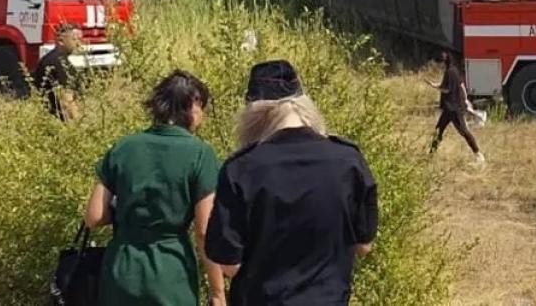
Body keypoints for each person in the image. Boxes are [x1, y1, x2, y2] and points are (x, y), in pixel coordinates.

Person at [206, 60, 379, 306]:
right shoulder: (349, 162)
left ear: (254, 111)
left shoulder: (241, 169)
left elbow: (229, 265)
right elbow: (364, 246)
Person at [83, 70, 225, 306]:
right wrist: (218, 291)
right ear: (193, 105)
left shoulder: (124, 147)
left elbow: (94, 216)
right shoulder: (200, 154)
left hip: (122, 269)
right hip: (171, 271)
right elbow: (203, 230)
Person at [430, 51, 484, 163]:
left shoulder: (448, 73)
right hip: (451, 108)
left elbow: (447, 89)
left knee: (463, 131)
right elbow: (462, 86)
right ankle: (431, 154)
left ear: (443, 62)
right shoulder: (455, 70)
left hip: (453, 109)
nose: (438, 66)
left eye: (438, 63)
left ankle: (479, 155)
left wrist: (434, 86)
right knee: (438, 130)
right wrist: (465, 99)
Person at [33, 23, 82, 121]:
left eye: (80, 39)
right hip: (57, 121)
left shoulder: (56, 59)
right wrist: (77, 128)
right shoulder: (57, 62)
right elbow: (66, 101)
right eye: (74, 39)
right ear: (61, 41)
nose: (79, 43)